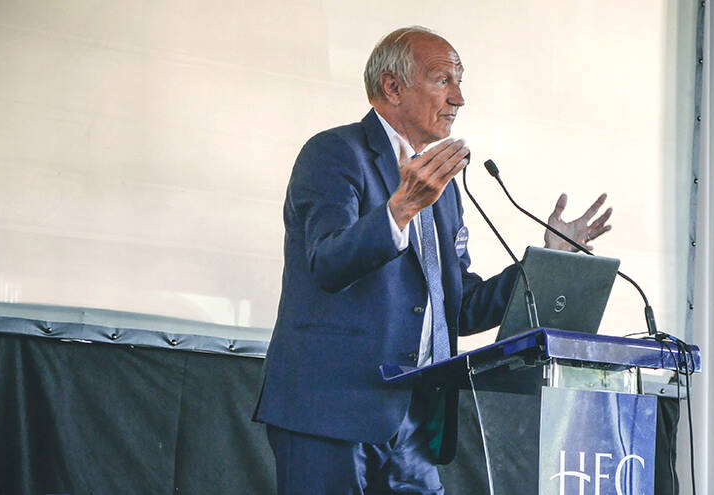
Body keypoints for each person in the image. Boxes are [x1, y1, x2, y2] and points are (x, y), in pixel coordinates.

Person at [253, 26, 613, 495]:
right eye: (443, 79)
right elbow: (328, 262)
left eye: (459, 82)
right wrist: (400, 209)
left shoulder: (440, 189)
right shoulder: (335, 153)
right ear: (392, 87)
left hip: (416, 423)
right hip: (331, 413)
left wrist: (546, 261)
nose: (459, 98)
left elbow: (458, 309)